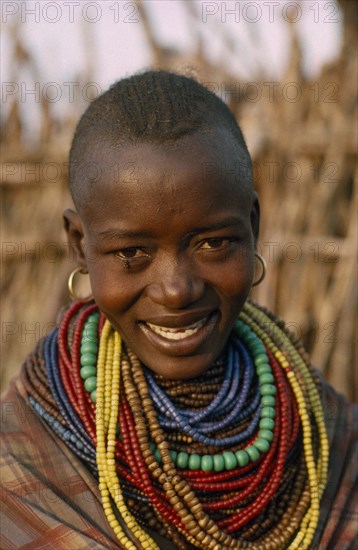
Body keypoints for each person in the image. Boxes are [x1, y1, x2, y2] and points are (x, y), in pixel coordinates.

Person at [1, 71, 356, 550]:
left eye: (213, 242)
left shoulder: (332, 440)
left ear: (252, 226)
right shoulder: (22, 458)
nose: (176, 290)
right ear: (80, 245)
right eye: (131, 253)